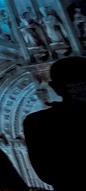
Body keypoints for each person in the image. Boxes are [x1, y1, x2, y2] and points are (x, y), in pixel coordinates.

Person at [23, 54, 86, 190]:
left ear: (54, 87)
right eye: (74, 82)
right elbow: (47, 171)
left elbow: (46, 172)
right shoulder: (38, 123)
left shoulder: (37, 122)